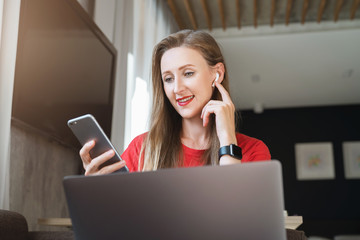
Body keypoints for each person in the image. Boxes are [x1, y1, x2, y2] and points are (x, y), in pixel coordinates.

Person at [80, 30, 271, 175]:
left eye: (188, 73)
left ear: (217, 74)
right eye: (168, 79)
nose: (177, 88)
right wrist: (97, 191)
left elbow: (240, 217)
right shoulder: (143, 148)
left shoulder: (253, 151)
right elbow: (119, 218)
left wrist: (228, 142)